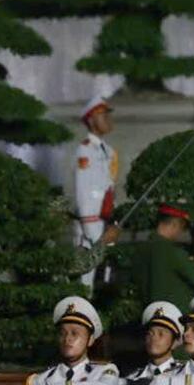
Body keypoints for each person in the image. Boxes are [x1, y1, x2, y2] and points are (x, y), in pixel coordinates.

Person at [70, 96, 117, 285]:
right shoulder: (85, 151)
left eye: (107, 114)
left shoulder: (108, 150)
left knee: (103, 277)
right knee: (86, 278)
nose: (107, 119)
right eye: (102, 115)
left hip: (104, 220)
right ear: (90, 120)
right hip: (90, 224)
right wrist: (92, 230)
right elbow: (83, 193)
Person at [137, 204, 194, 310]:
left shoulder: (143, 247)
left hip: (149, 311)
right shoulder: (171, 250)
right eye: (181, 228)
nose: (180, 232)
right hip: (173, 315)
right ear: (174, 224)